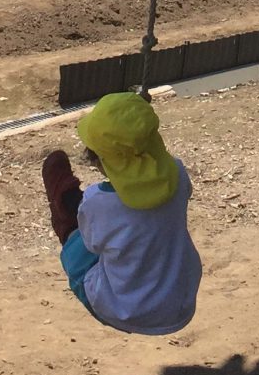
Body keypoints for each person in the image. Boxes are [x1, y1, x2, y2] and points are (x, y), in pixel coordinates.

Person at [41, 92, 202, 335]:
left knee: (77, 245)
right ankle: (70, 209)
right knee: (134, 235)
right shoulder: (178, 174)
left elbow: (93, 245)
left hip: (124, 310)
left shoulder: (98, 201)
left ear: (101, 162)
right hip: (180, 301)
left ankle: (64, 212)